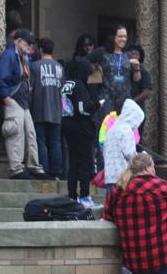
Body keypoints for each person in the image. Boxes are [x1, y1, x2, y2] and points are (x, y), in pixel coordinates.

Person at [0, 28, 48, 180]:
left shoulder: (23, 57)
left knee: (30, 134)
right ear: (19, 41)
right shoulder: (8, 56)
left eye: (32, 44)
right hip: (13, 100)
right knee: (15, 133)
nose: (31, 46)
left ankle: (34, 167)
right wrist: (6, 99)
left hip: (23, 102)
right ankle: (16, 168)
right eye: (28, 43)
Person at [61, 58, 102, 206]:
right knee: (86, 162)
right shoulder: (79, 85)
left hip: (67, 124)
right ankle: (84, 196)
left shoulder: (66, 84)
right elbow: (83, 108)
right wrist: (97, 105)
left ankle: (72, 196)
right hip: (81, 128)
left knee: (73, 162)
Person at [30, 38, 64, 179]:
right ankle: (57, 171)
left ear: (41, 50)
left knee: (41, 141)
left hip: (39, 109)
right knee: (55, 142)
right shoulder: (60, 68)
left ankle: (44, 169)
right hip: (56, 110)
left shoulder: (34, 66)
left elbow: (30, 89)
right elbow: (62, 90)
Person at [93, 25, 141, 118]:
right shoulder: (103, 53)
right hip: (107, 99)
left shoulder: (128, 55)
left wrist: (136, 69)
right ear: (113, 37)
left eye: (125, 36)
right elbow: (90, 68)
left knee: (123, 126)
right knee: (107, 126)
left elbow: (136, 79)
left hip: (124, 101)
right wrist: (96, 70)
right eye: (120, 36)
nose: (123, 39)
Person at [104, 99, 144, 195]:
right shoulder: (126, 130)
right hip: (123, 177)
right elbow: (130, 154)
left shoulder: (113, 128)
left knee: (111, 202)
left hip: (110, 176)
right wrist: (142, 157)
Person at [127, 44, 153, 121]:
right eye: (132, 53)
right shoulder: (122, 69)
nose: (134, 56)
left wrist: (131, 102)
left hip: (136, 110)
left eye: (137, 54)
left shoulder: (143, 71)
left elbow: (146, 92)